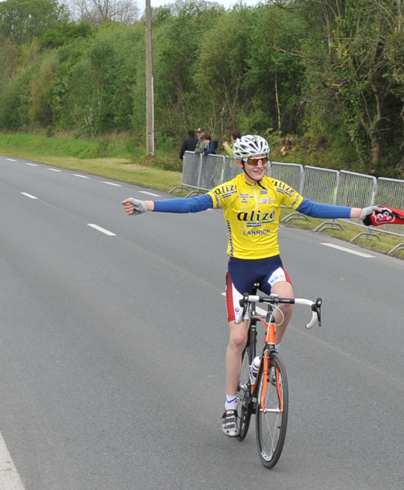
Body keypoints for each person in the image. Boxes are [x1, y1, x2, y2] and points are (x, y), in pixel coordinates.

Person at [122, 134, 376, 437]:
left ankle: (265, 359)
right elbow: (193, 205)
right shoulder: (230, 190)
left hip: (270, 265)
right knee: (239, 340)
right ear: (241, 163)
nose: (260, 166)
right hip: (240, 270)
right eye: (254, 161)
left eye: (264, 160)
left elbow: (310, 208)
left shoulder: (276, 189)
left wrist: (359, 214)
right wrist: (147, 206)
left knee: (287, 300)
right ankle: (230, 406)